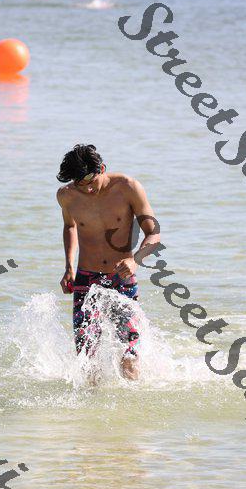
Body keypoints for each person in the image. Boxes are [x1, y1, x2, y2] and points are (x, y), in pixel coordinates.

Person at [56, 144, 160, 381]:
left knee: (129, 352)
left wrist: (135, 260)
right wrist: (69, 267)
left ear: (102, 168)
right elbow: (70, 226)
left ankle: (132, 400)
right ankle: (91, 401)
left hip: (121, 278)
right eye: (80, 184)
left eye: (91, 181)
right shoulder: (67, 195)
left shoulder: (128, 187)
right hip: (86, 280)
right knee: (86, 354)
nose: (88, 188)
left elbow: (153, 233)